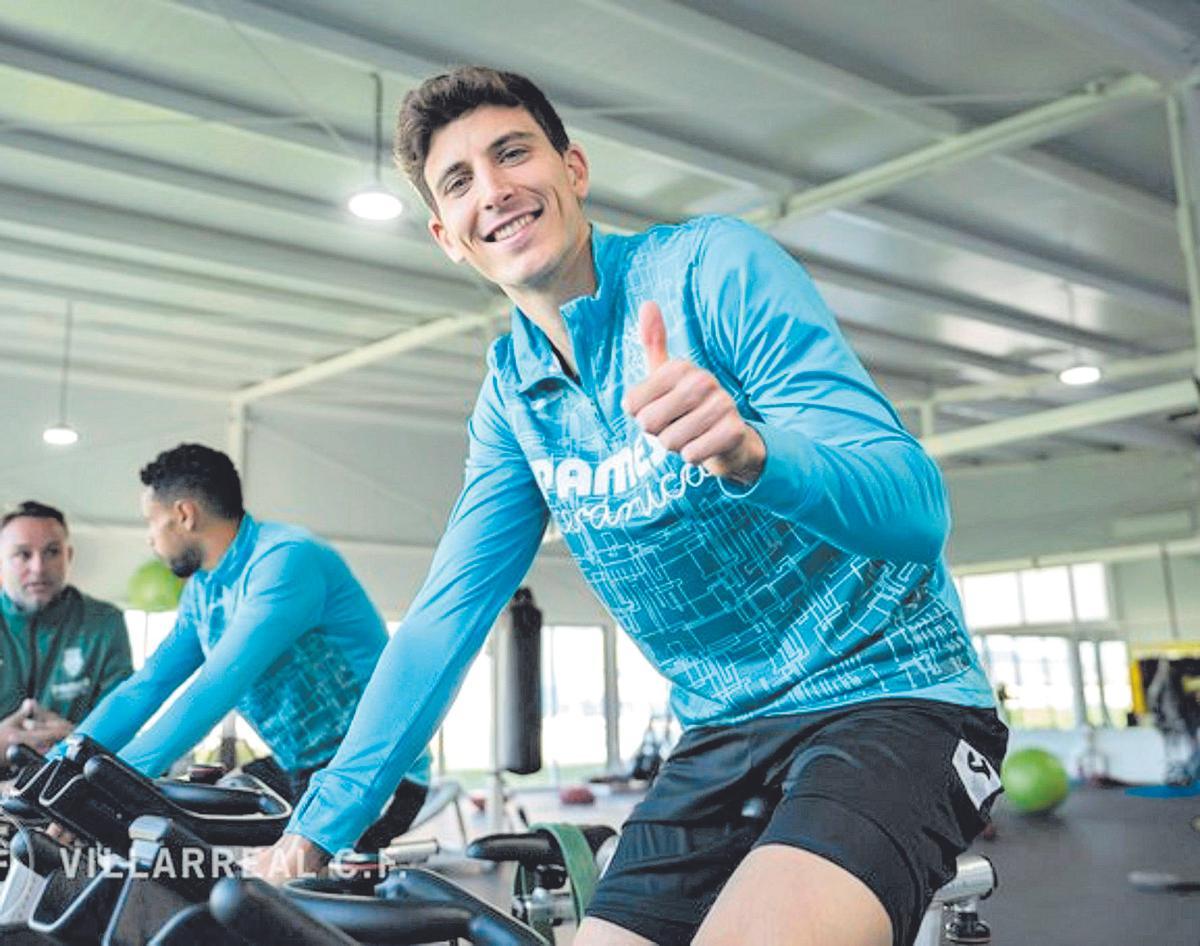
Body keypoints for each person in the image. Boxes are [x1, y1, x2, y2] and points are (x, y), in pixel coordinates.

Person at [264, 67, 1008, 946]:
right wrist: (317, 827)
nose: (493, 190)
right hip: (722, 733)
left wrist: (756, 454)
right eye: (459, 181)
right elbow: (443, 619)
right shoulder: (512, 397)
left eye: (513, 154)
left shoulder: (711, 269)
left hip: (892, 695)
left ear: (574, 169)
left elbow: (916, 511)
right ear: (446, 236)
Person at [67, 443, 431, 850]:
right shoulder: (204, 589)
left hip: (375, 768)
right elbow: (148, 684)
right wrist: (64, 763)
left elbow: (217, 686)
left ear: (185, 514)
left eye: (151, 522)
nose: (150, 539)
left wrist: (109, 784)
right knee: (190, 831)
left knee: (263, 881)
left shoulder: (285, 560)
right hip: (303, 768)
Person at [1, 501, 131, 761]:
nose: (38, 567)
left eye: (52, 552)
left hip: (75, 777)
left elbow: (124, 722)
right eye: (23, 554)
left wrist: (77, 739)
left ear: (68, 556)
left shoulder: (103, 623)